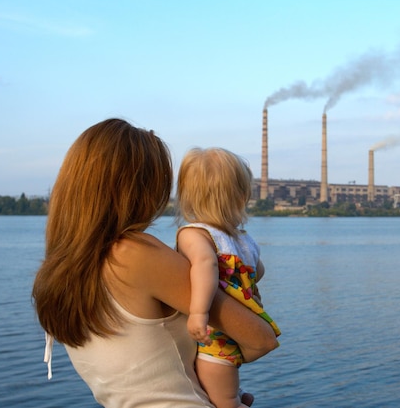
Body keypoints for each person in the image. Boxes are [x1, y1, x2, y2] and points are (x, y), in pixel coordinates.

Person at [32, 119, 278, 408]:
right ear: (137, 188)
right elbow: (262, 339)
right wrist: (224, 366)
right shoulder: (135, 253)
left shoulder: (60, 271)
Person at [175, 147, 281, 408]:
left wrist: (199, 313)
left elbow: (205, 264)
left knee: (224, 401)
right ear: (242, 196)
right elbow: (259, 271)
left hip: (213, 335)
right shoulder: (243, 239)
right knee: (230, 391)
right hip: (245, 325)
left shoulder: (194, 234)